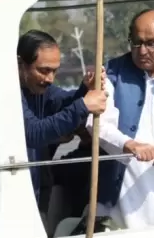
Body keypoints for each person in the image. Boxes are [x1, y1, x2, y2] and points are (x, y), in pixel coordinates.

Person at [88, 9, 154, 230]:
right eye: (136, 42)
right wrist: (129, 144)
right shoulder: (111, 73)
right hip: (123, 185)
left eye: (151, 43)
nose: (142, 50)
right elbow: (97, 124)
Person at [18, 30, 107, 200]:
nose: (50, 78)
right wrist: (83, 105)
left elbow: (64, 102)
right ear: (21, 63)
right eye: (44, 70)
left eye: (54, 71)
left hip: (37, 187)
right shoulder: (8, 93)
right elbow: (32, 133)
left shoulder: (40, 89)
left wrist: (85, 89)